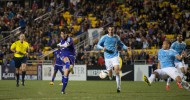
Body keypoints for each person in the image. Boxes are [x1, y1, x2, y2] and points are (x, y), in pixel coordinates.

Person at [97, 26, 130, 93]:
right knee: (110, 76)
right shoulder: (104, 37)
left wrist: (126, 48)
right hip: (107, 57)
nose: (111, 31)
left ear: (114, 30)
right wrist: (102, 48)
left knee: (117, 71)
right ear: (108, 30)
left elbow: (121, 44)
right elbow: (98, 45)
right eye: (110, 30)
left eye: (112, 30)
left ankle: (118, 87)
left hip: (115, 55)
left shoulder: (116, 37)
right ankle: (109, 74)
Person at [57, 30, 75, 94]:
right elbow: (60, 46)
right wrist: (58, 46)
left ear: (66, 34)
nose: (63, 35)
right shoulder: (62, 39)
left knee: (66, 73)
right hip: (64, 54)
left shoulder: (69, 39)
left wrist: (59, 45)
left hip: (71, 55)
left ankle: (63, 90)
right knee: (67, 63)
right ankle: (70, 66)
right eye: (61, 34)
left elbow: (65, 45)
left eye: (64, 34)